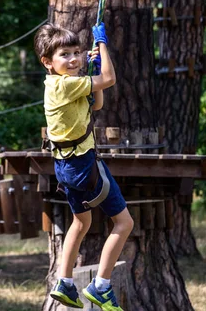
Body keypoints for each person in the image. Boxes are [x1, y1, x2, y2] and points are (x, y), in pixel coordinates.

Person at [34, 22, 133, 310]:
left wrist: (92, 68)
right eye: (65, 54)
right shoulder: (65, 84)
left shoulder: (64, 83)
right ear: (48, 63)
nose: (74, 59)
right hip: (82, 165)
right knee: (125, 222)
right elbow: (110, 79)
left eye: (77, 52)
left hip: (66, 166)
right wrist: (103, 45)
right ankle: (101, 285)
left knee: (82, 222)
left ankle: (64, 282)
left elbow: (97, 104)